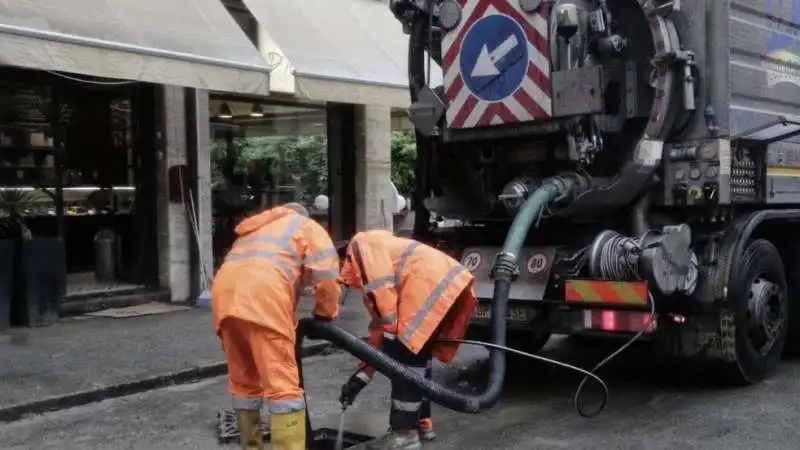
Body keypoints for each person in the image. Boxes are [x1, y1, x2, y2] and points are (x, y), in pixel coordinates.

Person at [211, 202, 342, 450]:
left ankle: (252, 446)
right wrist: (325, 314)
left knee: (243, 382)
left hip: (224, 300)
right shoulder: (306, 227)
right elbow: (327, 277)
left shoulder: (255, 231)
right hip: (263, 301)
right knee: (283, 390)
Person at [337, 230, 477, 450]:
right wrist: (362, 375)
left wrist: (393, 340)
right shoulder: (379, 250)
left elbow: (385, 311)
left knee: (405, 359)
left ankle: (404, 434)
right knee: (418, 360)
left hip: (427, 282)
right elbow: (378, 331)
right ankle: (422, 423)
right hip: (444, 282)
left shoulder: (360, 247)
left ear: (342, 260)